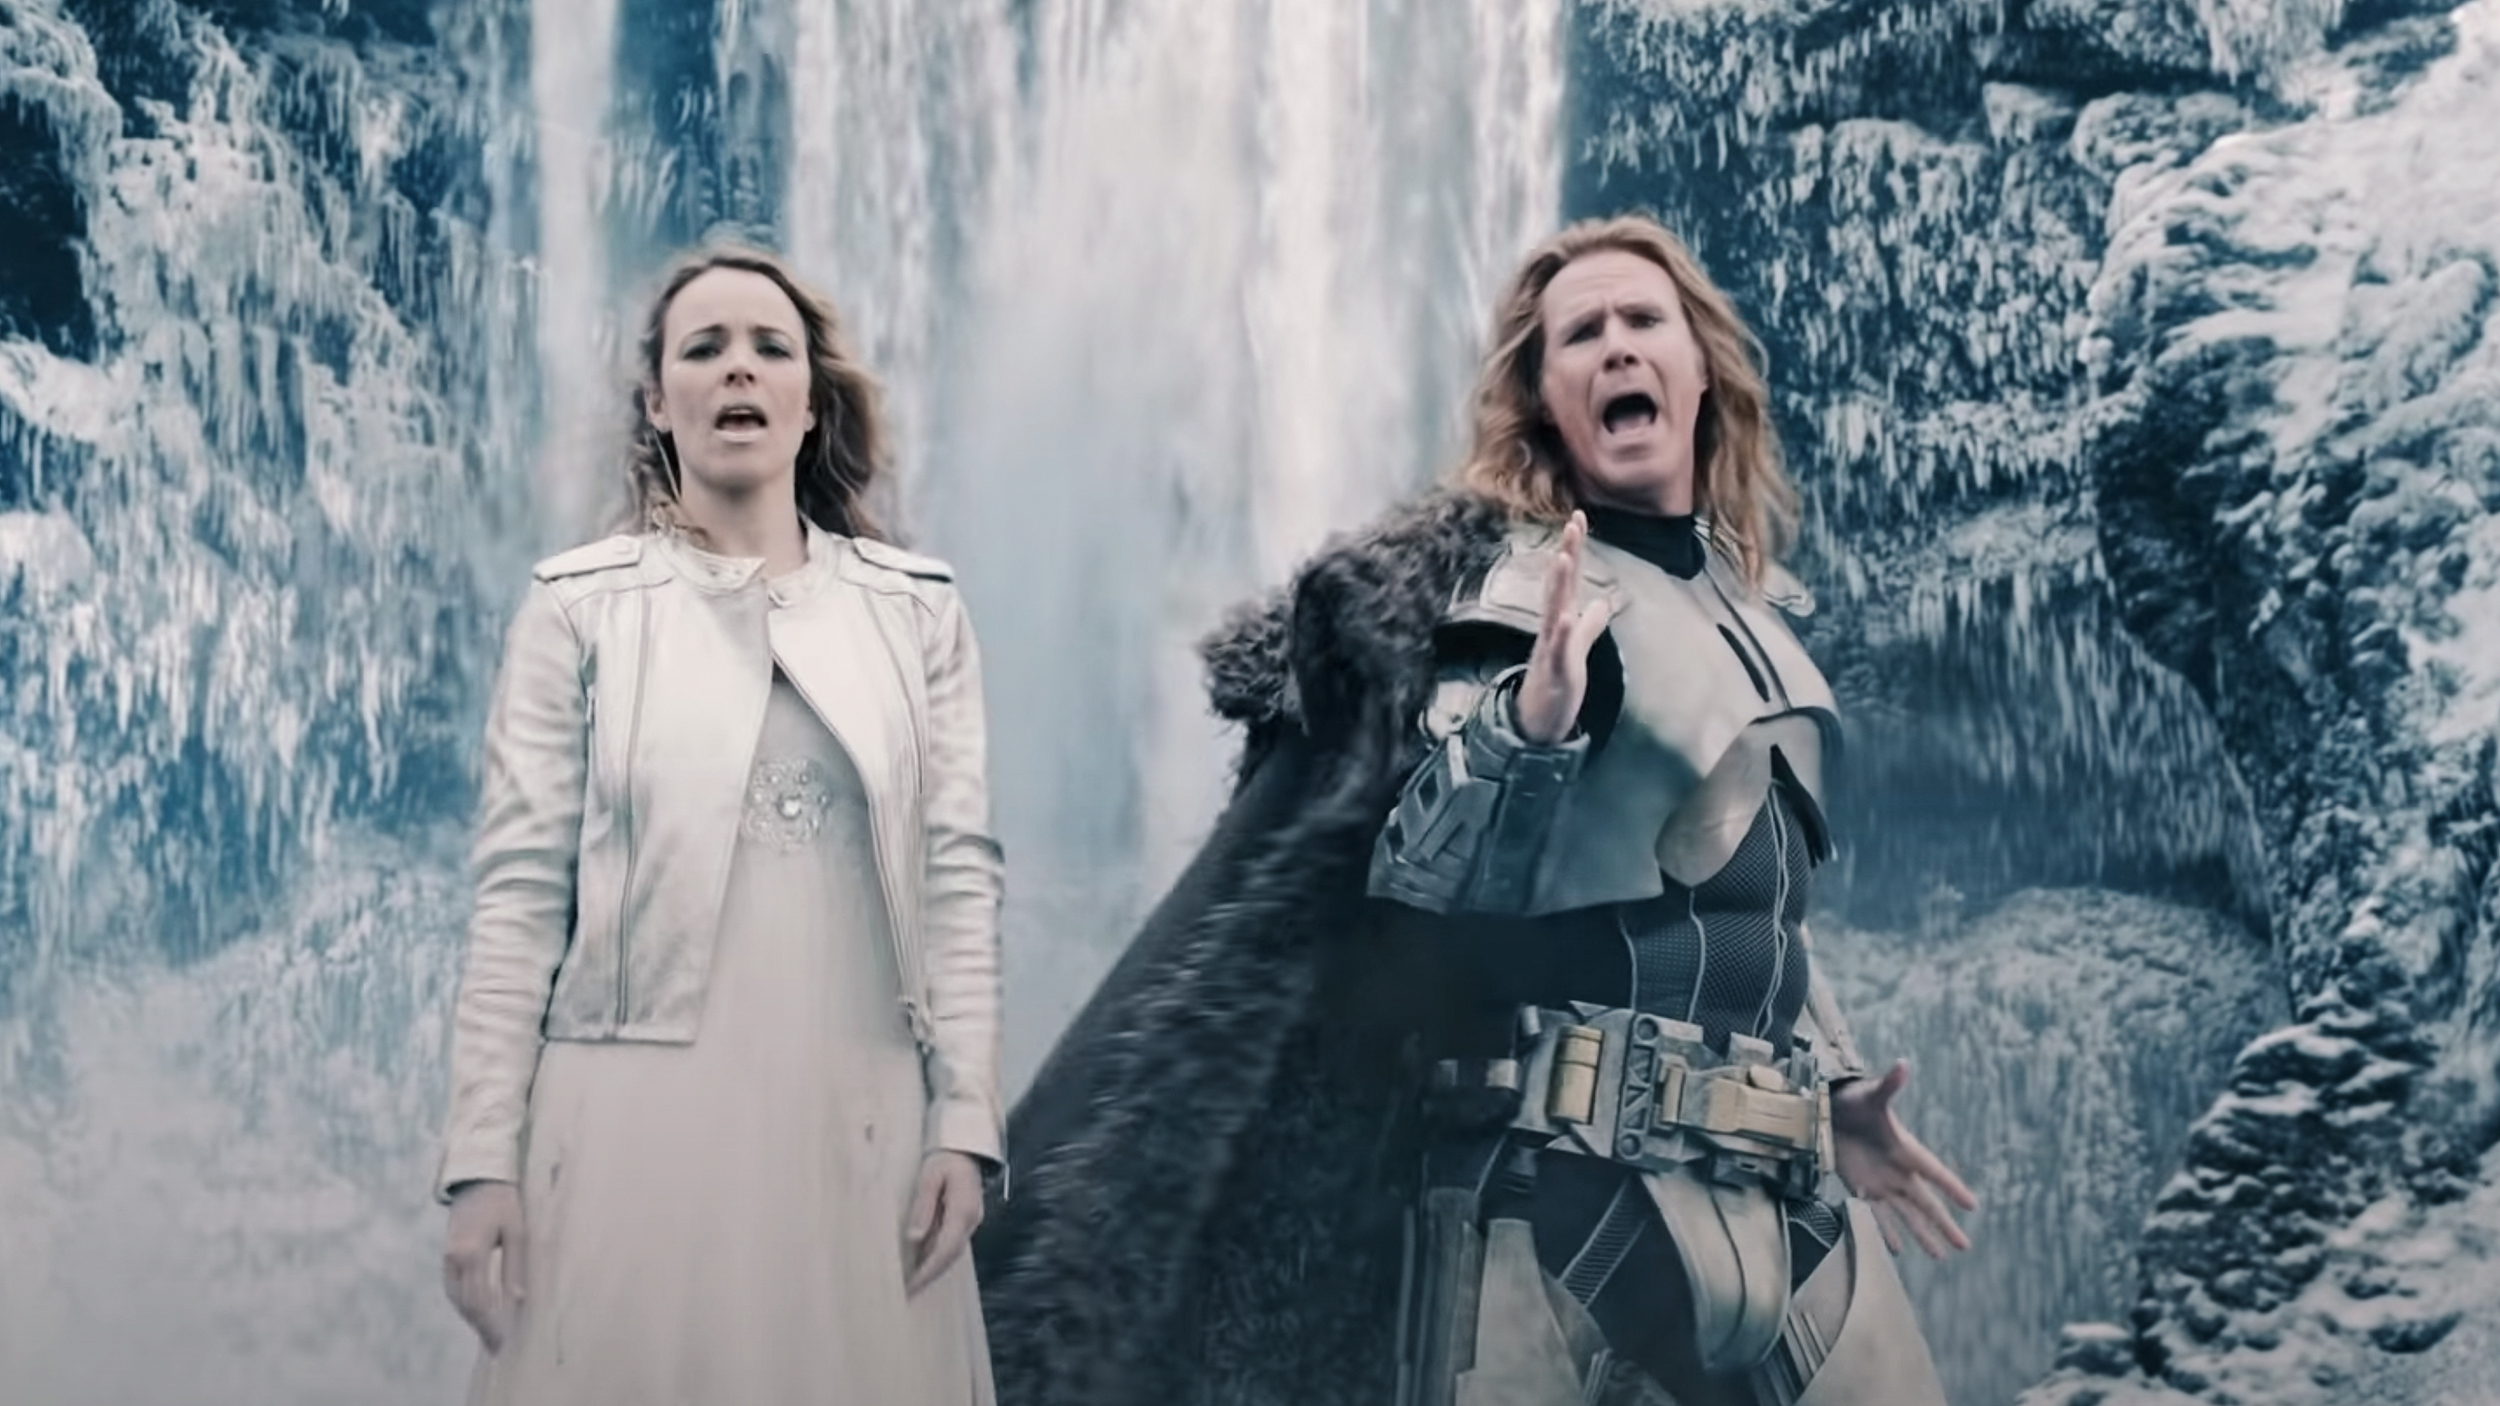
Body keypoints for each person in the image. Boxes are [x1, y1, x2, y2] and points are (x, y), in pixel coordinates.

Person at [974, 213, 1976, 1405]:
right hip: (1560, 1200)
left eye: (1643, 319)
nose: (1617, 346)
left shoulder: (1763, 619)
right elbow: (1419, 883)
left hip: (1775, 1188)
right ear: (1543, 400)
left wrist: (1832, 1092)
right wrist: (1527, 728)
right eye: (1581, 334)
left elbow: (1754, 907)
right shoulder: (1512, 592)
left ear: (1701, 364)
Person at [434, 244, 1005, 1405]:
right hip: (633, 1122)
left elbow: (957, 879)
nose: (738, 367)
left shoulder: (918, 614)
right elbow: (519, 896)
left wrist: (965, 1118)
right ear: (658, 403)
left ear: (811, 401)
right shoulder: (577, 610)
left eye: (769, 347)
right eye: (704, 348)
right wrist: (481, 1160)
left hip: (858, 1121)